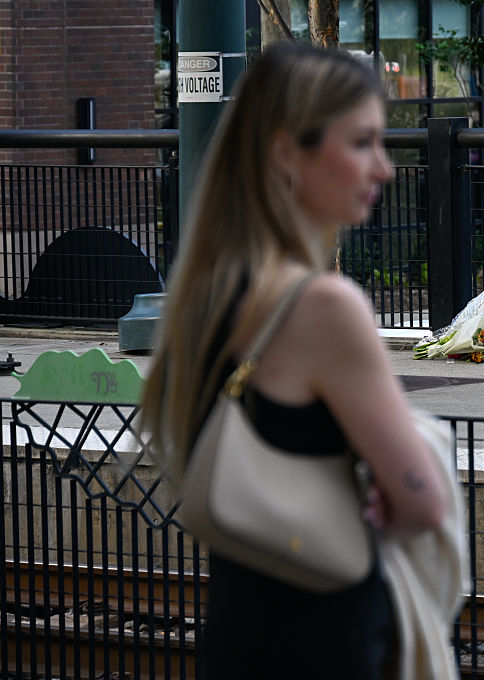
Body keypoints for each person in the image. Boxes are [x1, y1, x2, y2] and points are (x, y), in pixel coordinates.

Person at [140, 43, 447, 679]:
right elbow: (422, 502)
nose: (385, 169)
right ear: (287, 151)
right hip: (325, 638)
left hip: (238, 633)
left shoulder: (207, 294)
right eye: (362, 143)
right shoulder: (323, 308)